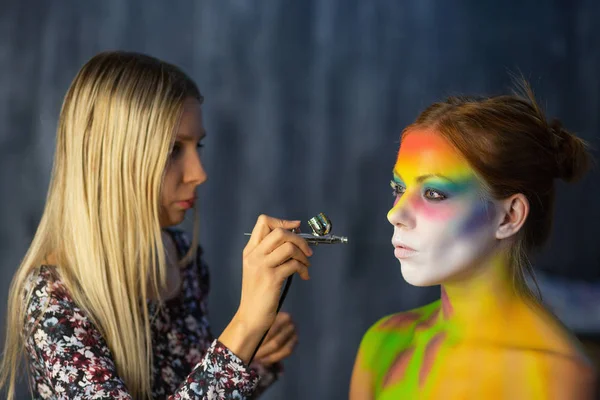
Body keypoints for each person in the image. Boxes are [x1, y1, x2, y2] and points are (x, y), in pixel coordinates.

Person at [0, 51, 314, 399]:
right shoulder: (53, 301)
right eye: (172, 150)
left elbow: (189, 389)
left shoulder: (179, 255)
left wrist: (256, 357)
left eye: (199, 146)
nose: (199, 173)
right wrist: (246, 327)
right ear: (105, 157)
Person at [349, 82, 597, 399]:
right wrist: (260, 365)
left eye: (434, 193)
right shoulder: (384, 344)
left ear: (509, 216)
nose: (395, 214)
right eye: (399, 189)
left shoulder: (557, 377)